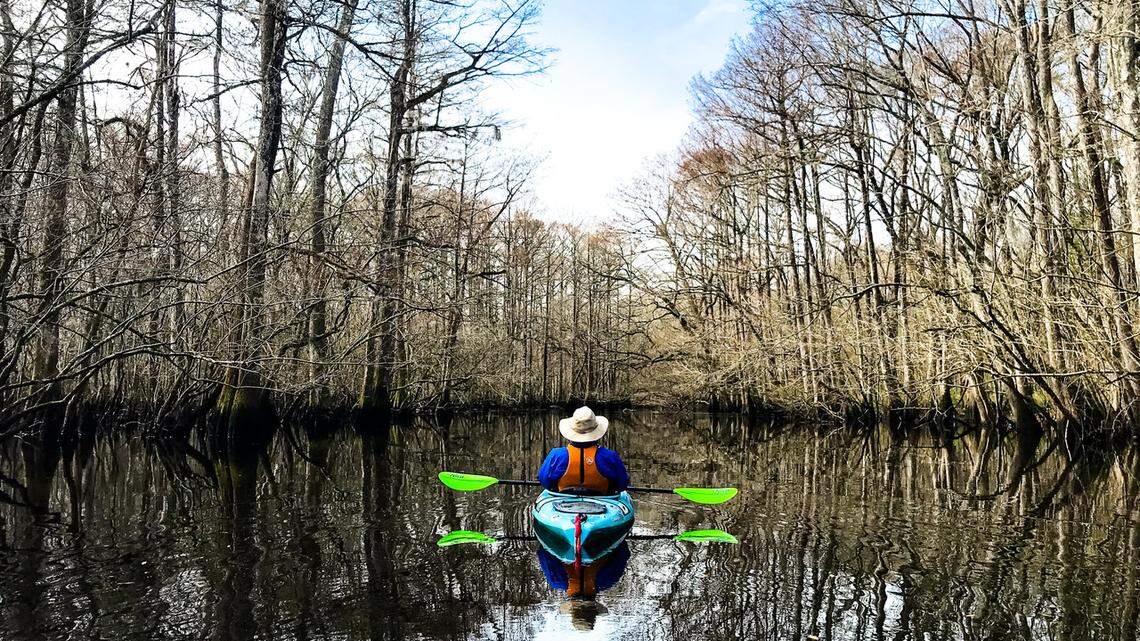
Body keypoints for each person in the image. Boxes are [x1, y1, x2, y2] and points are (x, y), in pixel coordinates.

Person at [538, 406, 629, 495]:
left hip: (563, 500)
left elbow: (544, 481)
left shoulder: (556, 455)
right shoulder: (610, 456)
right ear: (596, 431)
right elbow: (622, 485)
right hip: (601, 499)